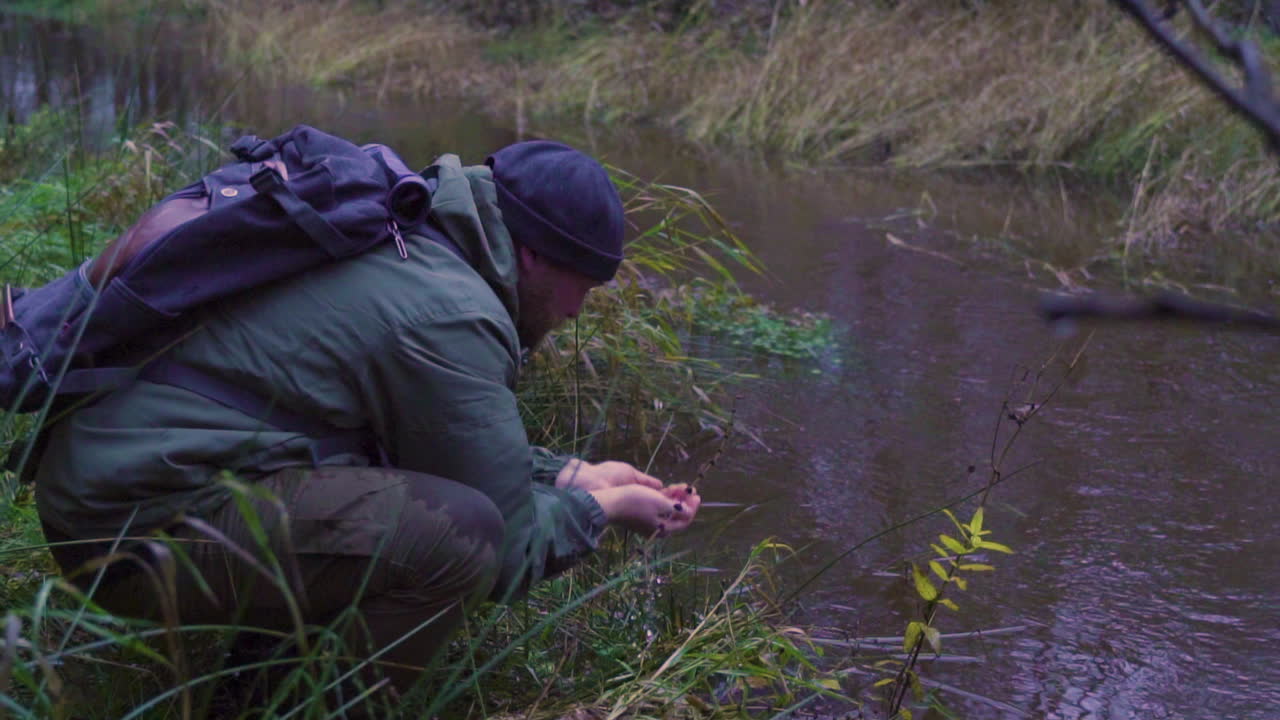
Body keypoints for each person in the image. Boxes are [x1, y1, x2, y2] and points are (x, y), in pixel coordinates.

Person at [32, 138, 701, 692]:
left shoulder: (407, 224)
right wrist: (607, 512)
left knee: (390, 490)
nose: (578, 310)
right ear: (531, 253)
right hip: (126, 533)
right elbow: (509, 552)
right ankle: (297, 704)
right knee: (460, 537)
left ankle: (254, 681)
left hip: (112, 482)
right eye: (580, 285)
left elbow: (427, 441)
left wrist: (572, 475)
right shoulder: (452, 314)